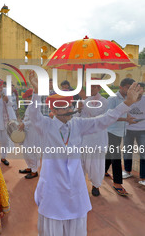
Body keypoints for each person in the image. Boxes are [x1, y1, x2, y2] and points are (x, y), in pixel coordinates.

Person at [27, 71, 142, 236]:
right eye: (63, 106)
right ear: (54, 109)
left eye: (69, 105)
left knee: (76, 224)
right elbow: (33, 114)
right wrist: (36, 92)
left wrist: (127, 103)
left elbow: (104, 119)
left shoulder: (78, 124)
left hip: (75, 187)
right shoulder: (45, 125)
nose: (68, 109)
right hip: (53, 187)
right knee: (53, 224)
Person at [76, 82, 108, 196]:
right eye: (89, 86)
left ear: (99, 88)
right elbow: (76, 118)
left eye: (93, 86)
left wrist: (85, 99)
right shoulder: (83, 101)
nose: (91, 89)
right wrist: (79, 110)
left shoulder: (104, 101)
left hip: (97, 138)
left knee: (96, 164)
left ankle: (96, 185)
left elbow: (95, 114)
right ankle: (80, 185)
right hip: (84, 138)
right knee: (81, 163)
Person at [105, 78, 136, 195]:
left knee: (109, 153)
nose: (129, 90)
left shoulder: (127, 100)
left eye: (131, 88)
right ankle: (117, 183)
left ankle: (103, 171)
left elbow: (125, 111)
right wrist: (125, 119)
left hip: (120, 131)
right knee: (116, 157)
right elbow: (108, 117)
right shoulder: (112, 99)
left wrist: (129, 118)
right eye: (128, 87)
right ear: (121, 87)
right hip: (111, 131)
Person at [122, 83, 145, 186]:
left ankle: (143, 177)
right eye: (137, 89)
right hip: (128, 129)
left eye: (141, 90)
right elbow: (121, 111)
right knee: (127, 150)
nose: (139, 92)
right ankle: (127, 171)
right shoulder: (128, 99)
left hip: (142, 130)